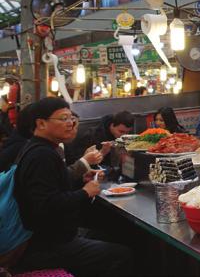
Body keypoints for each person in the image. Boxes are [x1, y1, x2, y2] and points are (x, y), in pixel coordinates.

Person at [13, 97, 132, 276]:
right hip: (47, 245)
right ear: (41, 123)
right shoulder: (41, 156)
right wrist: (85, 193)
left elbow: (52, 188)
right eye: (63, 119)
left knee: (111, 234)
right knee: (122, 255)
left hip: (56, 236)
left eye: (71, 118)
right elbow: (44, 205)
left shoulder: (42, 149)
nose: (70, 123)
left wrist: (79, 179)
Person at [64, 111, 132, 166]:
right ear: (112, 125)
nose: (124, 135)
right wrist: (102, 152)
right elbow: (78, 163)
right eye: (121, 132)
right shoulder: (91, 136)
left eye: (127, 132)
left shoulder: (127, 138)